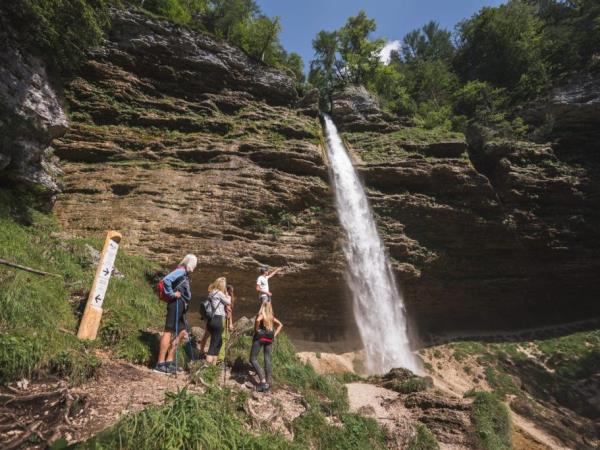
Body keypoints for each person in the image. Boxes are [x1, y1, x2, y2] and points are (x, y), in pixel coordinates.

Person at [154, 254, 197, 374]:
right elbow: (167, 280)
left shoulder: (185, 274)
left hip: (181, 305)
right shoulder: (181, 271)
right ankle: (160, 363)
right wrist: (172, 293)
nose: (194, 266)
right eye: (194, 263)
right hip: (175, 304)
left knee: (182, 332)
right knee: (168, 331)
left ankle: (169, 361)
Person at [250, 301, 283, 392]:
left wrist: (257, 330)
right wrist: (274, 335)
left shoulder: (261, 315)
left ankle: (263, 381)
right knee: (267, 358)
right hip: (269, 338)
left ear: (262, 307)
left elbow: (257, 320)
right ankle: (268, 381)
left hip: (260, 338)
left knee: (253, 359)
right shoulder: (271, 317)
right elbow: (280, 325)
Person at [205, 277, 231, 365]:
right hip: (217, 319)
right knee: (213, 346)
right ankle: (207, 368)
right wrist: (227, 295)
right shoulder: (219, 293)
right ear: (222, 286)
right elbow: (228, 302)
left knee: (218, 342)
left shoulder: (211, 292)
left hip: (211, 320)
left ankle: (214, 366)